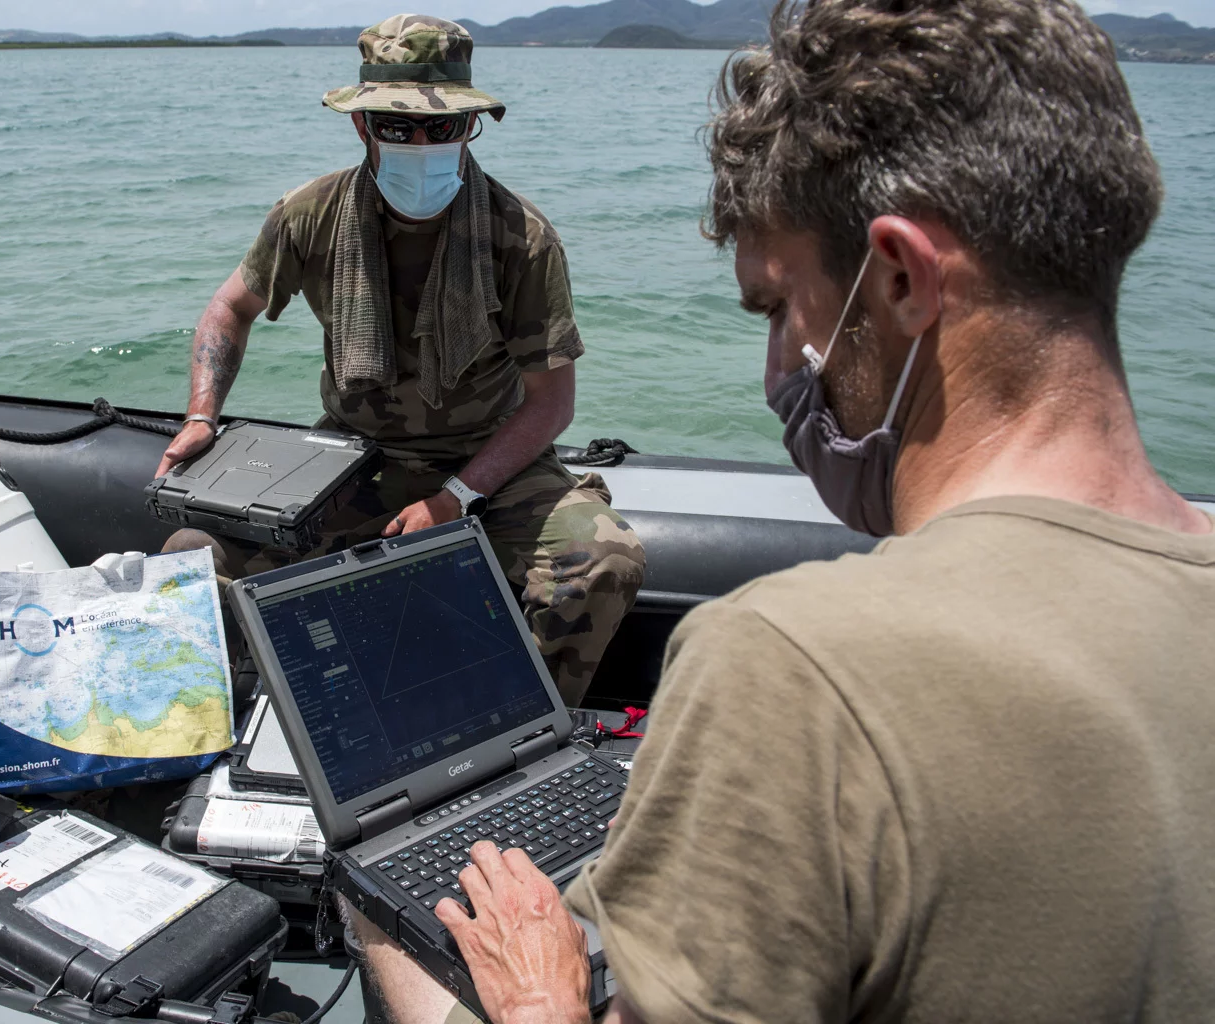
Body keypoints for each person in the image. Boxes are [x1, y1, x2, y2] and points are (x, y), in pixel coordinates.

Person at [352, 1, 1215, 1021]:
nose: (776, 369)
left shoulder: (789, 671)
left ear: (896, 278)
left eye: (775, 306)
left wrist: (533, 996)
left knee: (378, 911)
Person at [154, 14, 644, 707]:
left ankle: (514, 726)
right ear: (363, 126)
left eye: (442, 128)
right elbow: (228, 309)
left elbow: (550, 403)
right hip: (354, 459)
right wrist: (202, 417)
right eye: (398, 125)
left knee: (603, 560)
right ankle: (277, 727)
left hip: (491, 466)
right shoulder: (309, 214)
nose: (422, 143)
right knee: (190, 562)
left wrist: (456, 498)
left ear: (468, 127)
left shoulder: (521, 238)